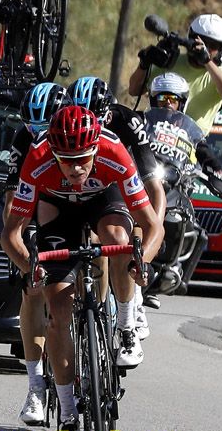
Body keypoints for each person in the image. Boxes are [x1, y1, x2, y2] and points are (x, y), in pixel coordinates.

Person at [1, 106, 164, 431]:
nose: (75, 168)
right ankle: (70, 418)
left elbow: (153, 226)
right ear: (53, 153)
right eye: (66, 160)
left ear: (95, 149)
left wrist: (143, 262)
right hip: (57, 210)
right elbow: (10, 234)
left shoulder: (114, 151)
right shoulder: (38, 159)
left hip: (103, 202)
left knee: (119, 237)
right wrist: (32, 267)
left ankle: (124, 326)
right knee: (58, 311)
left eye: (83, 159)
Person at [67, 76, 163, 335]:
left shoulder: (128, 122)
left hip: (119, 180)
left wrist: (150, 243)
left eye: (96, 121)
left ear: (108, 114)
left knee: (122, 233)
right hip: (78, 184)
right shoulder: (64, 125)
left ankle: (130, 307)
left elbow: (154, 187)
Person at [3, 82, 69, 427]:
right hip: (40, 209)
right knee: (32, 289)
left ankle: (104, 319)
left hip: (79, 205)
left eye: (45, 128)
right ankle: (36, 386)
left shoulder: (85, 134)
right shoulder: (23, 141)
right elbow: (13, 202)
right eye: (32, 128)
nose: (38, 135)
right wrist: (24, 252)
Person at [145, 73, 222, 295]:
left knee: (195, 228)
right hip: (147, 181)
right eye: (162, 100)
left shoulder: (190, 132)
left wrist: (217, 170)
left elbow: (204, 151)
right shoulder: (143, 123)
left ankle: (178, 271)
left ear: (182, 102)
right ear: (153, 101)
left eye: (173, 100)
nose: (168, 105)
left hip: (176, 185)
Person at [127, 13, 222, 133]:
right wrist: (144, 64)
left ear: (221, 50)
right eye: (202, 42)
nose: (205, 48)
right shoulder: (171, 62)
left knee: (206, 153)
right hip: (155, 135)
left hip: (193, 143)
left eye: (212, 46)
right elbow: (134, 90)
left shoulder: (220, 73)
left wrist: (207, 61)